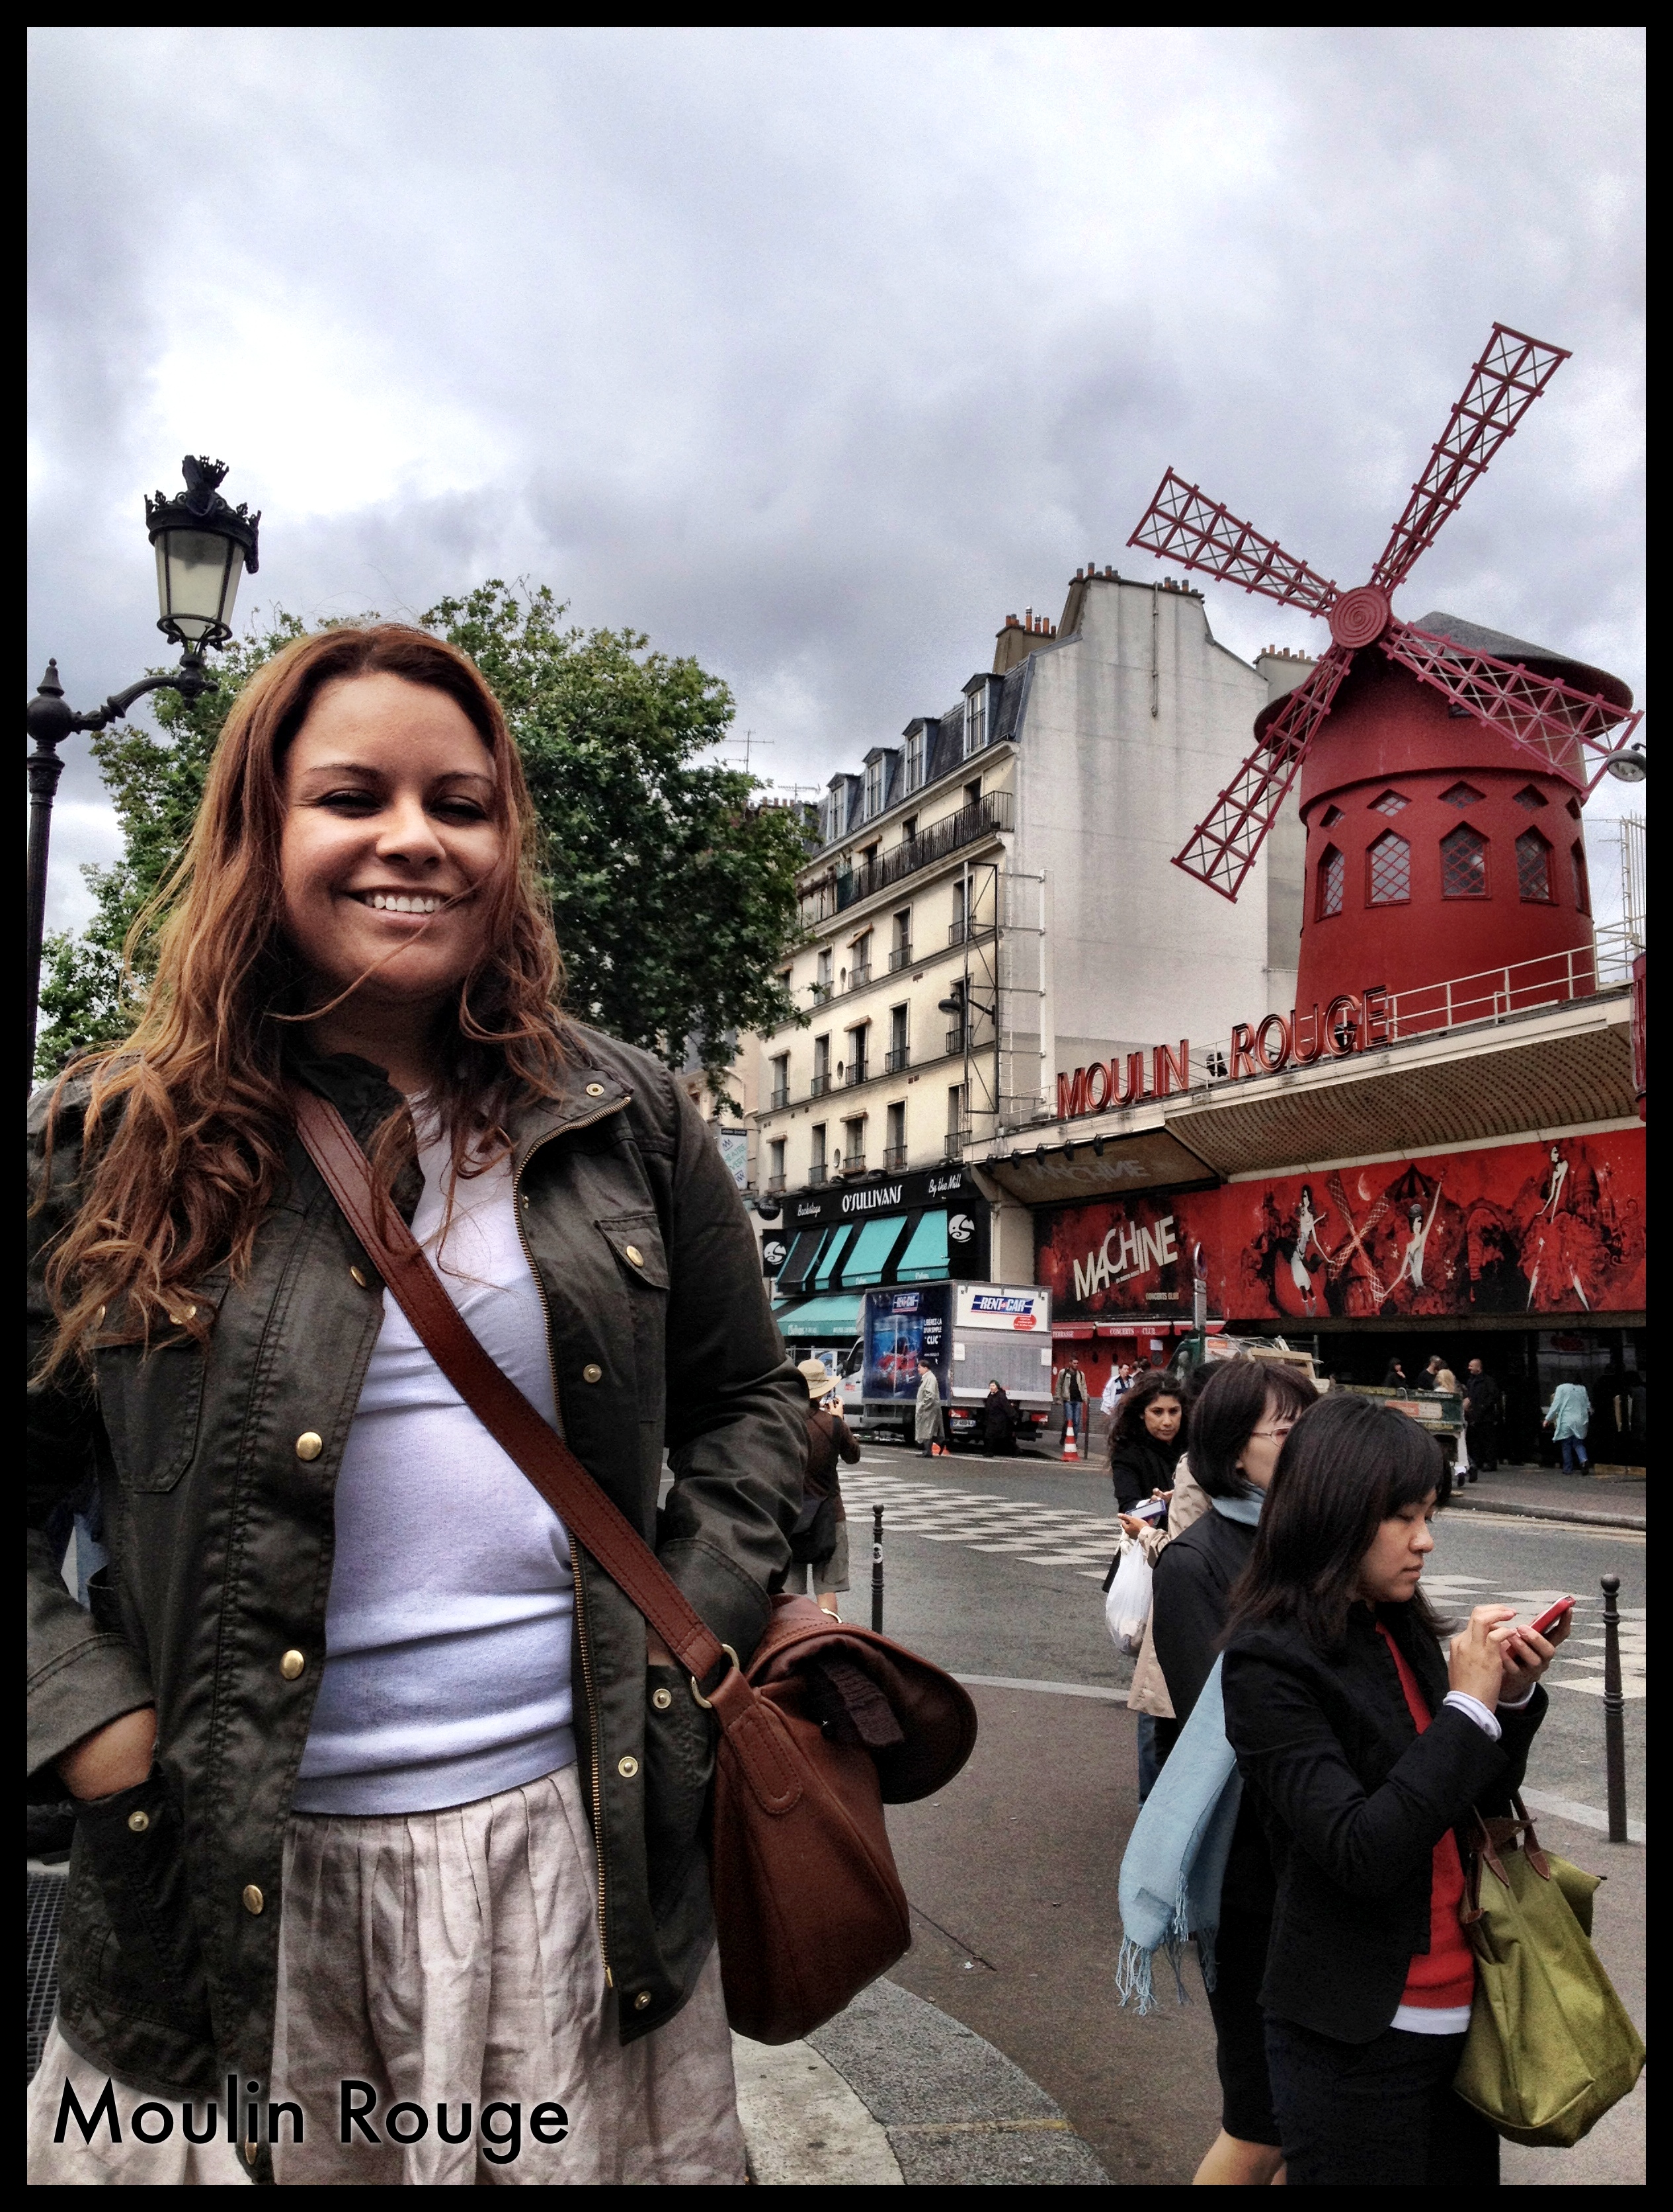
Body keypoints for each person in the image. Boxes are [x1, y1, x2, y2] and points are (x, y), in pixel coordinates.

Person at [26, 625, 806, 2185]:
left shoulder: (626, 1114)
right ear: (262, 832)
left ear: (507, 844)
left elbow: (752, 1404)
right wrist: (89, 1722)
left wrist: (685, 1642)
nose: (414, 838)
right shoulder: (107, 1140)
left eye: (460, 803)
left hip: (574, 1865)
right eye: (351, 796)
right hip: (219, 1885)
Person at [1221, 1394, 1566, 2188]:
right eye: (1403, 1517)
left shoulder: (1396, 1619)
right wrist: (1467, 1709)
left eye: (1429, 1514)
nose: (1424, 1540)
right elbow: (1361, 1849)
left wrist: (1509, 1700)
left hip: (1464, 2009)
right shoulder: (1269, 1660)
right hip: (1353, 2033)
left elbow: (1468, 1802)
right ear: (1334, 1512)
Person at [1147, 1357, 1319, 2186]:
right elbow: (1222, 1730)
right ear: (1230, 1449)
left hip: (1325, 1866)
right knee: (1259, 2118)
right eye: (1286, 1433)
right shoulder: (1196, 1562)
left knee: (1310, 2113)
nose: (1305, 1447)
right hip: (1251, 1873)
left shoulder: (1320, 1544)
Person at [792, 1359, 860, 1618]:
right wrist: (839, 1420)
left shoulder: (786, 1422)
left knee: (789, 1594)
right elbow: (853, 1456)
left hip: (791, 1515)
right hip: (829, 1513)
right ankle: (829, 1635)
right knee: (826, 1589)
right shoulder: (832, 1424)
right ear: (822, 1392)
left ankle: (793, 1637)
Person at [1108, 1368, 1185, 1513]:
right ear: (1141, 1413)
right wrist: (1156, 1505)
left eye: (1174, 1411)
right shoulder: (1127, 1453)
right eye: (1157, 1412)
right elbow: (1129, 1511)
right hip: (1153, 1526)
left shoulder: (1195, 1446)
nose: (1167, 1422)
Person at [1543, 1376, 1592, 1472]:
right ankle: (1584, 1460)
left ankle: (1568, 1468)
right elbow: (1587, 1405)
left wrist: (1547, 1419)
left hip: (1566, 1420)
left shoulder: (1561, 1388)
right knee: (1578, 1443)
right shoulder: (1582, 1389)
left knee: (1566, 1444)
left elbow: (1556, 1405)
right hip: (1580, 1420)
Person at [1461, 1357, 1501, 1472]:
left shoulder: (1488, 1381)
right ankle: (1478, 1461)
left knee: (1488, 1441)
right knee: (1476, 1441)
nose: (1469, 1368)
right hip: (1474, 1415)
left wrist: (1483, 1407)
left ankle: (1491, 1463)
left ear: (1479, 1368)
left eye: (1471, 1366)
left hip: (1486, 1416)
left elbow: (1493, 1396)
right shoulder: (1471, 1381)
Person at [1056, 1357, 1088, 1453]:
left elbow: (1084, 1386)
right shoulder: (1063, 1373)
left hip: (1078, 1400)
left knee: (1077, 1421)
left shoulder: (1081, 1374)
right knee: (1069, 1420)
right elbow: (1059, 1385)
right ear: (1070, 1363)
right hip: (1068, 1400)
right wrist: (1058, 1398)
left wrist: (1085, 1398)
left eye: (1077, 1363)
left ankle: (1073, 1441)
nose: (1076, 1365)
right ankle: (1064, 1438)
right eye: (1074, 1363)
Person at [915, 1362, 946, 1456]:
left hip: (929, 1409)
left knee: (927, 1429)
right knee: (928, 1429)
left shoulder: (930, 1378)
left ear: (926, 1368)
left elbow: (930, 1395)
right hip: (928, 1408)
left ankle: (928, 1451)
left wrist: (923, 1406)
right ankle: (939, 1443)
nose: (918, 1369)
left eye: (920, 1367)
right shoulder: (927, 1378)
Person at [981, 1378, 1018, 1457]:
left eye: (993, 1386)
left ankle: (1015, 1451)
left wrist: (1013, 1417)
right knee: (990, 1436)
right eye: (990, 1386)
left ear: (997, 1387)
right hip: (992, 1420)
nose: (992, 1387)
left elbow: (1007, 1407)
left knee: (1004, 1437)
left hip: (999, 1420)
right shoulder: (991, 1395)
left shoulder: (1001, 1396)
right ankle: (989, 1452)